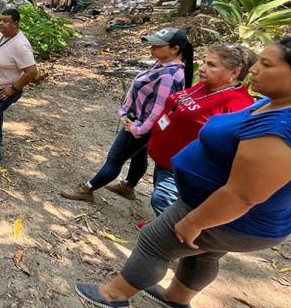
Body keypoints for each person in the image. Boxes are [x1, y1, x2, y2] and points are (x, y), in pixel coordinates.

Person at [73, 37, 291, 308]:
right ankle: (177, 298)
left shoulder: (281, 127)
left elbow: (243, 194)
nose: (255, 69)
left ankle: (114, 295)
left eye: (267, 64)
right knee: (202, 254)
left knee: (155, 242)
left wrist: (195, 222)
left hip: (229, 213)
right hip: (222, 208)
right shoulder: (274, 104)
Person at [61, 28, 194, 202]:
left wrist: (138, 129)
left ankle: (88, 189)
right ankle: (129, 186)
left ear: (174, 49)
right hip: (141, 121)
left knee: (114, 160)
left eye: (158, 45)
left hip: (141, 124)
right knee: (139, 154)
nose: (152, 47)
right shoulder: (163, 65)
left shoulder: (170, 76)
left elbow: (159, 110)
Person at [144, 44, 256, 222]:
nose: (202, 69)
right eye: (204, 62)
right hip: (165, 159)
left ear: (234, 73)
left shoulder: (238, 105)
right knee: (165, 198)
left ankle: (168, 236)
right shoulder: (206, 86)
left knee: (163, 199)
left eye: (211, 65)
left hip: (185, 168)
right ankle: (161, 224)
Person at [0, 8, 38, 172]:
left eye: (6, 21)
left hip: (4, 89)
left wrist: (13, 88)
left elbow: (32, 72)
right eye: (0, 19)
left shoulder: (21, 45)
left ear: (16, 24)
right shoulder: (3, 35)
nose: (1, 23)